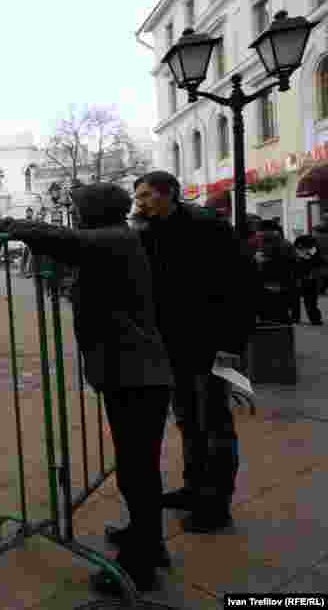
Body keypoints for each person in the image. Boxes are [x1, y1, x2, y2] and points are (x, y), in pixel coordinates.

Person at [0, 183, 174, 595]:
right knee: (135, 468)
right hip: (130, 373)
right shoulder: (114, 241)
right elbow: (69, 251)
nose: (74, 214)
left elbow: (69, 240)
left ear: (96, 211)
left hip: (137, 375)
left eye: (78, 208)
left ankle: (140, 566)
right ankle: (147, 541)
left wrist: (19, 226)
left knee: (138, 470)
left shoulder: (114, 238)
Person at [132, 171, 256, 534]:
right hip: (177, 347)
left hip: (213, 345)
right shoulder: (153, 232)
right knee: (189, 420)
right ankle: (194, 488)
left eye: (145, 196)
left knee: (214, 423)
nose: (139, 204)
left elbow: (240, 283)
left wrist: (231, 345)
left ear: (169, 193)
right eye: (137, 198)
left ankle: (216, 505)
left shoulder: (207, 227)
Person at [293, 234, 325, 325]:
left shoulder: (300, 251)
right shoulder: (312, 249)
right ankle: (315, 319)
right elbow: (319, 261)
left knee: (298, 300)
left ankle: (296, 318)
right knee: (311, 300)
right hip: (309, 277)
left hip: (303, 277)